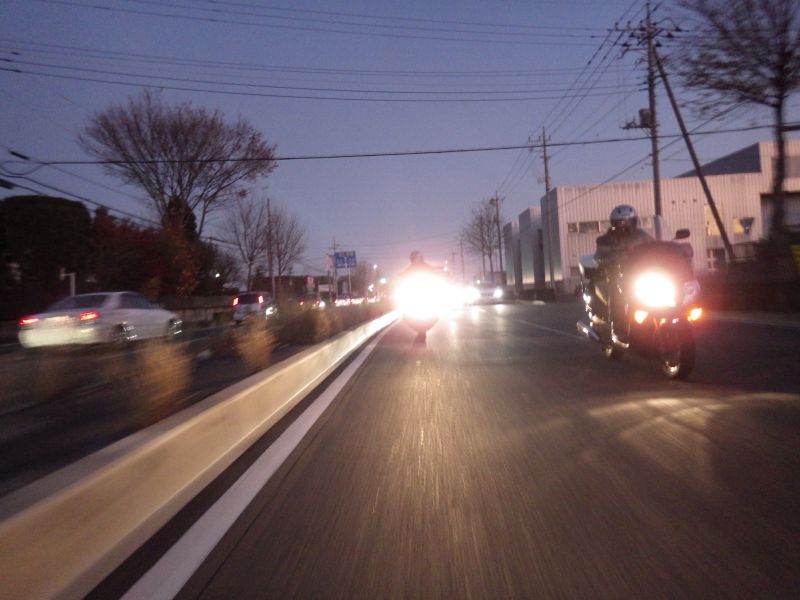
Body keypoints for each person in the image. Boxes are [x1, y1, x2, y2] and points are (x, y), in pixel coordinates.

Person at [593, 205, 654, 331]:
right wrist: (610, 259)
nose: (625, 224)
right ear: (614, 223)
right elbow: (600, 255)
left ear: (634, 221)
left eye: (628, 221)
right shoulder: (606, 239)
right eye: (621, 222)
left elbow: (655, 246)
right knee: (616, 292)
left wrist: (670, 249)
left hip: (641, 273)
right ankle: (617, 325)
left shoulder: (641, 235)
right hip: (619, 274)